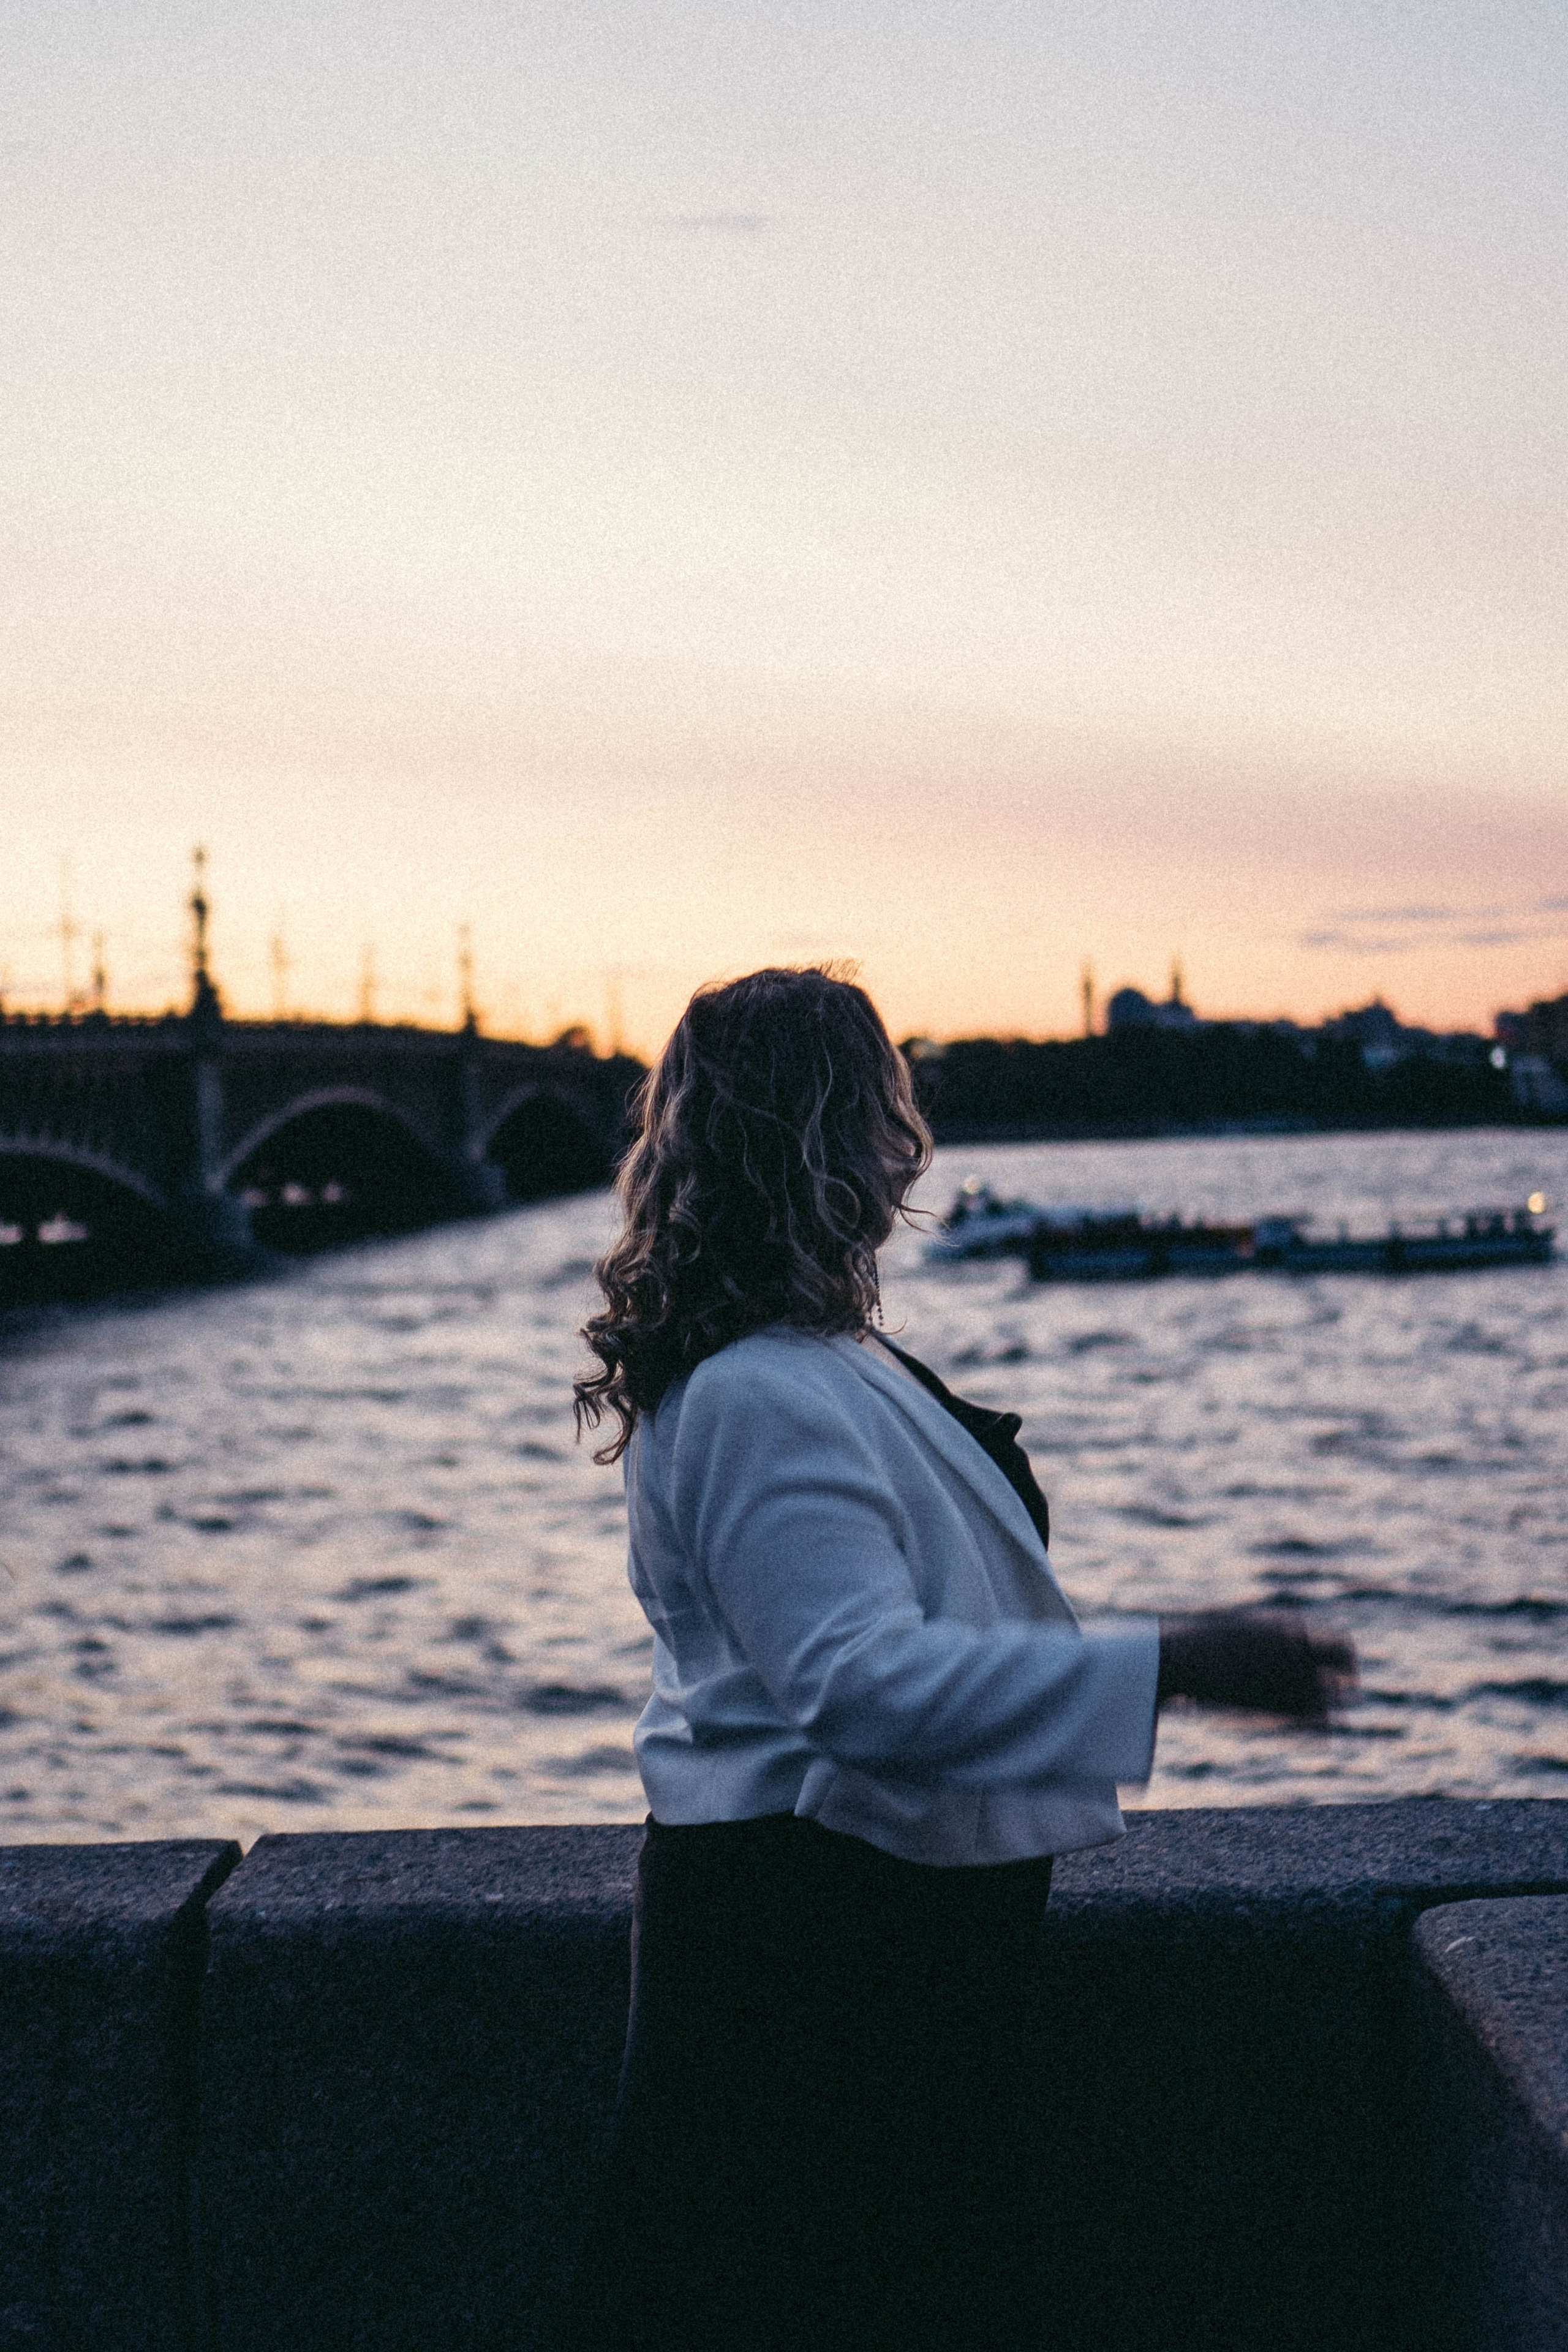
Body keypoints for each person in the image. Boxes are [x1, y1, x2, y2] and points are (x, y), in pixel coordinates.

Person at [559, 967, 1354, 2352]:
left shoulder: (802, 1356)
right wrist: (1177, 1661)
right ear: (816, 1130)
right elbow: (859, 1688)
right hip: (816, 1961)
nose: (901, 1144)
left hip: (846, 1936)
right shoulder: (760, 1385)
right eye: (878, 1108)